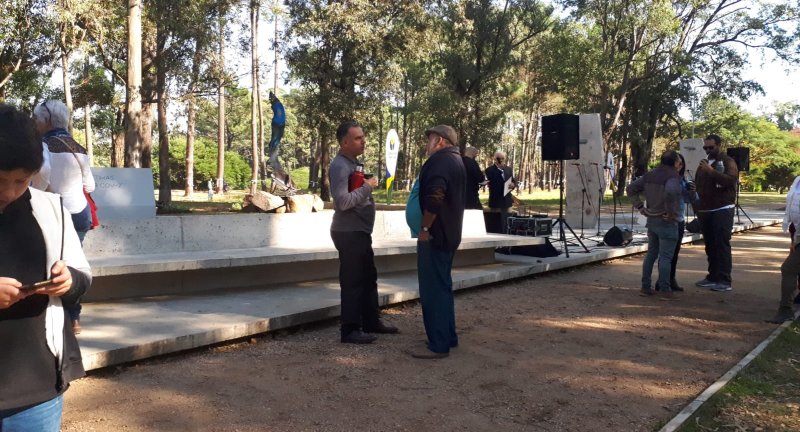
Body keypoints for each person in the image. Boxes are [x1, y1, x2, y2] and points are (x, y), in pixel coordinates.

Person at [0, 104, 91, 431]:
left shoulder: (49, 208)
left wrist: (68, 281)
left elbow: (82, 276)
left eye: (21, 180)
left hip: (37, 389)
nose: (9, 193)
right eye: (0, 180)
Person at [329, 121, 398, 344]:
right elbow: (343, 202)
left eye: (363, 137)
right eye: (358, 138)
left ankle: (370, 321)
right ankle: (349, 330)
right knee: (353, 281)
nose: (363, 141)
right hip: (348, 232)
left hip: (359, 231)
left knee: (368, 278)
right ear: (344, 142)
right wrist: (368, 186)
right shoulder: (340, 165)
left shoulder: (351, 163)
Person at [32, 100, 95, 334]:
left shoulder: (43, 146)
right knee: (72, 267)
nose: (35, 124)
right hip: (80, 214)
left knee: (54, 267)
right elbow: (90, 185)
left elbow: (42, 180)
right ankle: (74, 318)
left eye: (36, 119)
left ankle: (59, 319)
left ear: (47, 121)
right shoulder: (78, 147)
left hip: (54, 215)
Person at [411, 125, 466, 359]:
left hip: (435, 234)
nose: (427, 144)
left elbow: (435, 197)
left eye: (430, 139)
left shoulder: (440, 162)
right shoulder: (456, 161)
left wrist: (424, 227)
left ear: (441, 141)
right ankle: (447, 336)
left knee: (433, 289)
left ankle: (439, 344)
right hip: (449, 233)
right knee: (443, 286)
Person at [626, 150, 683, 300]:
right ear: (676, 162)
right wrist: (670, 212)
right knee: (665, 257)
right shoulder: (672, 176)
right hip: (667, 221)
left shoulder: (649, 175)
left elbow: (630, 188)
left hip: (651, 219)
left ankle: (645, 286)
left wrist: (639, 207)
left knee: (651, 254)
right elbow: (670, 192)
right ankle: (665, 289)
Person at [693, 134, 738, 292]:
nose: (707, 150)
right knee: (710, 245)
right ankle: (712, 276)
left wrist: (711, 171)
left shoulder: (728, 161)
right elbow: (698, 183)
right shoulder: (704, 163)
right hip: (705, 209)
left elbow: (730, 181)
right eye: (705, 147)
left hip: (722, 208)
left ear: (719, 145)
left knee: (721, 244)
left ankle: (724, 280)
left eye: (710, 147)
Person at [661, 153, 699, 292]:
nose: (680, 166)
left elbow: (691, 200)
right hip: (665, 219)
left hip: (679, 219)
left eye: (682, 164)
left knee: (674, 252)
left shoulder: (683, 180)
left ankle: (671, 279)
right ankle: (662, 281)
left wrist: (693, 191)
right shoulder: (664, 179)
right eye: (678, 163)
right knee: (665, 253)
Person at [766, 176, 800, 323]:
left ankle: (785, 310)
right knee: (790, 268)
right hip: (797, 230)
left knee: (788, 268)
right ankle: (786, 309)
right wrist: (795, 237)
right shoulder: (798, 180)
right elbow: (792, 206)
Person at [485, 151, 515, 233]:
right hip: (496, 201)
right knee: (496, 223)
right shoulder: (489, 170)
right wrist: (500, 170)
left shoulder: (509, 169)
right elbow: (492, 181)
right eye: (498, 158)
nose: (500, 160)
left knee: (507, 223)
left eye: (502, 158)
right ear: (494, 158)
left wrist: (513, 185)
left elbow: (513, 181)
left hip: (507, 201)